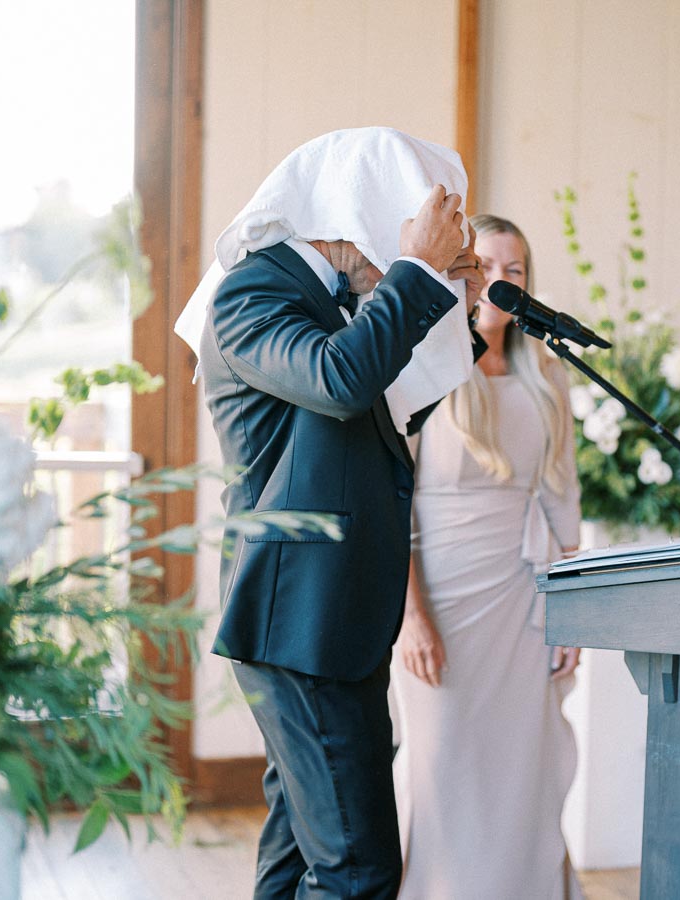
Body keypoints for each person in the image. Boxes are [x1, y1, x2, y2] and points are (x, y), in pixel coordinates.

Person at [182, 128, 485, 899]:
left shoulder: (326, 298)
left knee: (301, 852)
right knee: (356, 871)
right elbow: (342, 380)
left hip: (330, 617)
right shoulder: (250, 292)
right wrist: (414, 273)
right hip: (298, 622)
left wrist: (457, 300)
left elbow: (390, 402)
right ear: (362, 211)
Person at [392, 215, 585, 899]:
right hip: (440, 598)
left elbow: (563, 499)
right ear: (461, 274)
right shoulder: (418, 369)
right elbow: (395, 508)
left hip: (523, 599)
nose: (502, 283)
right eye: (489, 267)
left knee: (520, 775)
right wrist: (412, 618)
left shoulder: (548, 376)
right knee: (443, 771)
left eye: (517, 271)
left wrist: (572, 616)